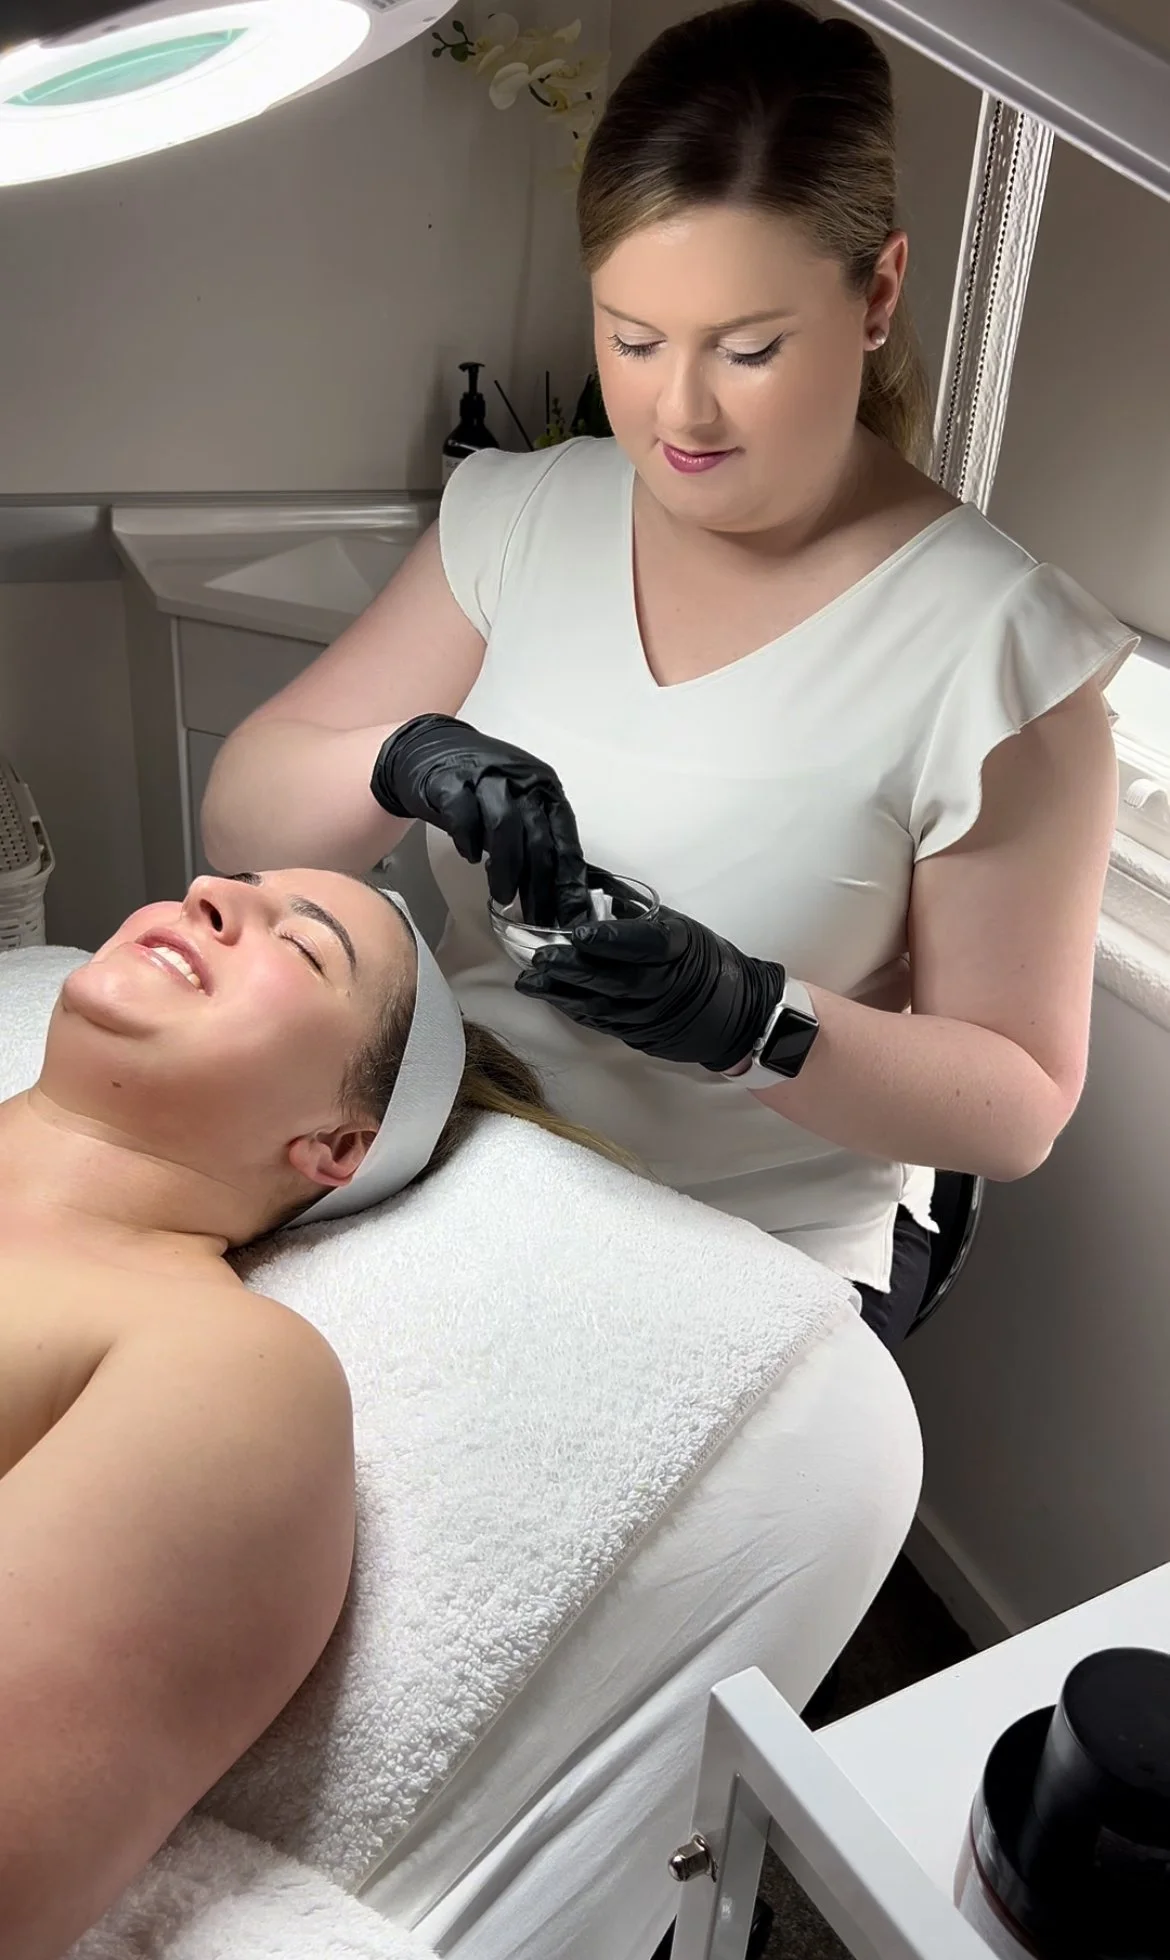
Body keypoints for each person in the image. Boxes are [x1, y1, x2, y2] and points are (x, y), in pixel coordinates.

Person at [202, 0, 1133, 1348]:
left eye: (747, 350)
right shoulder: (526, 516)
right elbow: (242, 824)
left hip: (742, 1256)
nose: (678, 410)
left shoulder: (997, 652)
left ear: (876, 295)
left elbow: (1017, 1105)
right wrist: (401, 759)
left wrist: (750, 1021)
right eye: (633, 338)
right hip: (456, 1171)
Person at [0, 866, 611, 1960]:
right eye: (228, 885)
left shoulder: (221, 1370)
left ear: (336, 1145)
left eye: (304, 944)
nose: (204, 892)